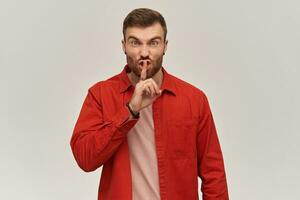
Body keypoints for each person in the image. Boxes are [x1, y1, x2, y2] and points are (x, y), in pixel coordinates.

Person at [70, 8, 229, 200]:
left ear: (165, 46)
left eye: (153, 43)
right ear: (124, 46)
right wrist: (131, 111)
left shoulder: (194, 99)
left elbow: (213, 173)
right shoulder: (100, 94)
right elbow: (85, 159)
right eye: (135, 42)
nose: (144, 52)